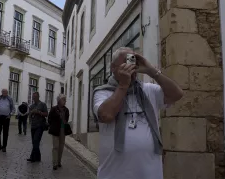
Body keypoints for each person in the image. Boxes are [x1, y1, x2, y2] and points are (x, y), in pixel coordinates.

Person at [93, 47, 184, 179]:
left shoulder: (148, 90)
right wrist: (123, 86)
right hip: (114, 174)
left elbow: (177, 94)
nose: (130, 66)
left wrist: (152, 71)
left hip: (150, 173)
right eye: (125, 62)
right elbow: (105, 115)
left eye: (132, 61)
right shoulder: (103, 92)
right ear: (113, 67)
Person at [48, 94, 71, 170]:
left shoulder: (66, 110)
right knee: (55, 147)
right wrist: (52, 126)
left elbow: (67, 119)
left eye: (65, 99)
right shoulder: (54, 109)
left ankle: (59, 161)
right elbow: (49, 118)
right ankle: (54, 163)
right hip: (55, 130)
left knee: (61, 147)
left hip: (63, 130)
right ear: (59, 101)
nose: (65, 101)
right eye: (63, 99)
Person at [27, 91, 48, 163]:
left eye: (35, 97)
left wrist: (38, 112)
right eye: (33, 97)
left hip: (40, 125)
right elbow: (29, 115)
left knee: (36, 140)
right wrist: (31, 113)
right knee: (34, 142)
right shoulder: (31, 106)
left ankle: (32, 157)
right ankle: (38, 157)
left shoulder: (43, 104)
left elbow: (46, 114)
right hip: (33, 126)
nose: (34, 98)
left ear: (38, 97)